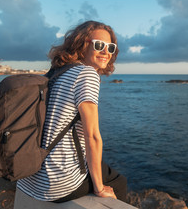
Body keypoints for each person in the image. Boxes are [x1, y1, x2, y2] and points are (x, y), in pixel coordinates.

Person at [16, 20, 127, 202]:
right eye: (99, 45)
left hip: (29, 177)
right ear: (82, 45)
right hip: (56, 182)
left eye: (111, 47)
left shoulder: (57, 73)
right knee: (119, 182)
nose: (106, 52)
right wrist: (99, 188)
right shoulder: (87, 74)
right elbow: (92, 136)